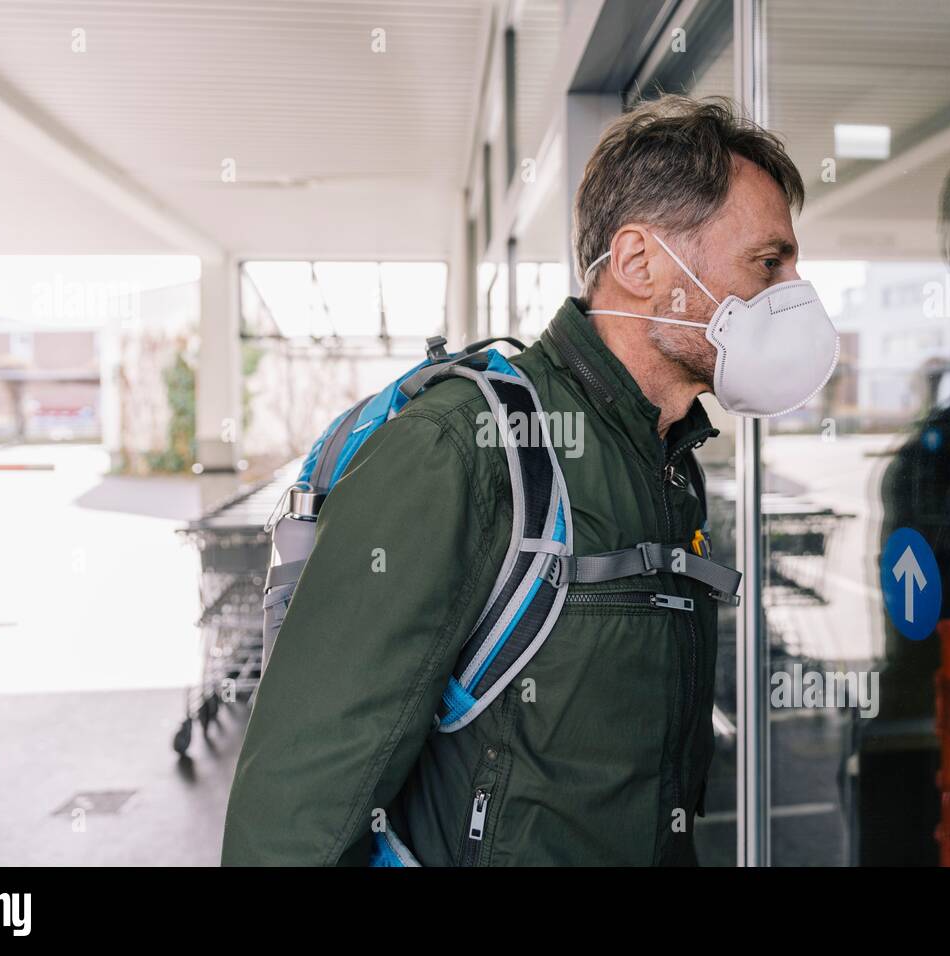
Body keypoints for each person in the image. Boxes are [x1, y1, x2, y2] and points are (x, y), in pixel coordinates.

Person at [221, 94, 832, 866]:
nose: (790, 294)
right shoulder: (460, 448)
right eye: (768, 262)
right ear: (642, 263)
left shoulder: (668, 461)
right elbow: (299, 810)